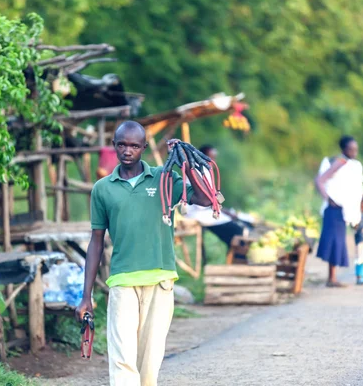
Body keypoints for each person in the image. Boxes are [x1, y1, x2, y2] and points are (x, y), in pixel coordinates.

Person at [75, 121, 212, 386]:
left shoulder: (164, 178)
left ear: (144, 148)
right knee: (122, 357)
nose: (128, 150)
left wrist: (187, 164)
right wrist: (85, 296)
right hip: (122, 282)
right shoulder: (103, 188)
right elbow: (95, 242)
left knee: (149, 362)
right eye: (122, 145)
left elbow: (205, 199)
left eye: (134, 146)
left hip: (160, 281)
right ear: (114, 145)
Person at [184, 145, 253, 263]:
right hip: (198, 212)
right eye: (211, 157)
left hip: (207, 210)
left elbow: (213, 195)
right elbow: (203, 201)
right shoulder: (196, 171)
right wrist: (222, 210)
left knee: (245, 224)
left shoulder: (205, 169)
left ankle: (236, 258)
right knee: (237, 230)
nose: (213, 161)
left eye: (214, 158)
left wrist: (223, 209)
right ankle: (237, 260)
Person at [314, 135, 363, 288]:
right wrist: (328, 198)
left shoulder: (350, 164)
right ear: (344, 149)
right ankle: (332, 278)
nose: (354, 152)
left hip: (341, 210)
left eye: (355, 150)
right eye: (351, 149)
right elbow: (320, 180)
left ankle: (332, 277)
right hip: (334, 209)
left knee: (337, 242)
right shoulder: (340, 162)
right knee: (334, 243)